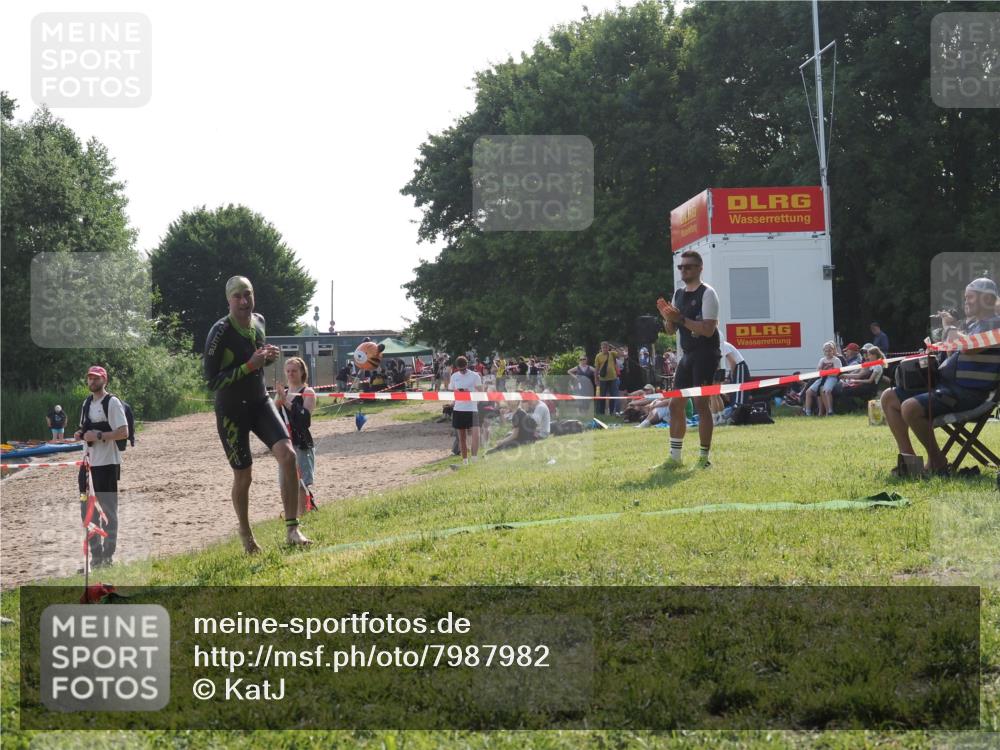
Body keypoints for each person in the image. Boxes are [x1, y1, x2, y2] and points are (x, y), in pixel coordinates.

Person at [204, 275, 311, 553]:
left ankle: (292, 529)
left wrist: (268, 356)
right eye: (237, 296)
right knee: (244, 476)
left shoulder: (259, 322)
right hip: (231, 411)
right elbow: (211, 381)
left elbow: (257, 357)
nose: (243, 301)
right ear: (229, 300)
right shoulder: (219, 332)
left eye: (247, 295)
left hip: (259, 401)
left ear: (253, 296)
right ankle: (246, 535)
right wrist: (249, 367)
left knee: (287, 455)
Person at [881, 277, 1000, 476]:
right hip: (949, 387)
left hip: (972, 394)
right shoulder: (975, 325)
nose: (966, 302)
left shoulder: (995, 324)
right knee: (889, 397)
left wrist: (950, 329)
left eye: (970, 297)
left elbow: (970, 348)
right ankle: (909, 463)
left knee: (910, 408)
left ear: (986, 299)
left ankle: (937, 462)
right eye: (965, 298)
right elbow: (956, 351)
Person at [657, 249, 721, 467]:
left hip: (706, 354)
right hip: (687, 354)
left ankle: (704, 458)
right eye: (681, 267)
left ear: (699, 268)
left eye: (688, 266)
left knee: (701, 405)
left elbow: (708, 330)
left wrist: (680, 318)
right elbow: (670, 330)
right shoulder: (678, 294)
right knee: (675, 405)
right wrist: (668, 319)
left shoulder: (708, 293)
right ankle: (674, 458)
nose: (684, 270)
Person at [73, 366, 128, 570]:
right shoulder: (86, 402)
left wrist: (97, 436)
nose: (92, 381)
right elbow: (83, 428)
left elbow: (123, 432)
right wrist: (80, 434)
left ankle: (108, 557)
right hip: (87, 467)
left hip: (107, 465)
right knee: (86, 511)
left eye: (96, 378)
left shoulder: (112, 403)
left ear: (104, 380)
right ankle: (96, 558)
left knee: (109, 512)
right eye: (89, 378)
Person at [274, 357, 316, 517]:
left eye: (294, 371)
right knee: (285, 483)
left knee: (301, 482)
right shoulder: (282, 393)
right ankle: (291, 515)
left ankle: (303, 514)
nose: (291, 374)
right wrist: (277, 403)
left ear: (302, 372)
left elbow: (305, 420)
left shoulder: (308, 392)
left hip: (301, 443)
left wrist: (287, 403)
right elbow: (273, 418)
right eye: (288, 371)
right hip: (285, 445)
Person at [448, 355, 483, 465]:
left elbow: (481, 392)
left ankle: (474, 458)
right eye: (460, 369)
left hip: (472, 408)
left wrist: (470, 392)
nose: (462, 371)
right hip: (459, 409)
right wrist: (457, 394)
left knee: (476, 435)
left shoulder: (475, 375)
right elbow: (451, 390)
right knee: (461, 437)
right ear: (457, 367)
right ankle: (465, 461)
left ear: (467, 365)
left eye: (463, 369)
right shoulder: (454, 376)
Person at [802, 342, 841, 417]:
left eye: (829, 350)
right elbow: (818, 371)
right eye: (826, 351)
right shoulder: (822, 360)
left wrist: (824, 372)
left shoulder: (836, 360)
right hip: (822, 378)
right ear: (823, 351)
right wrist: (823, 372)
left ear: (833, 351)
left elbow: (836, 373)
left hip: (832, 378)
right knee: (808, 392)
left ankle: (830, 411)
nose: (828, 352)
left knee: (827, 390)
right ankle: (807, 412)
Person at [594, 342, 620, 416]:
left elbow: (621, 354)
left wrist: (614, 347)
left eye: (606, 347)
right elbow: (596, 368)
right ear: (601, 348)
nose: (604, 349)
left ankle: (612, 412)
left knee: (613, 396)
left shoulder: (612, 353)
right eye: (603, 348)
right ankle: (602, 412)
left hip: (613, 379)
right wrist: (596, 379)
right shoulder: (598, 356)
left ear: (608, 348)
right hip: (603, 379)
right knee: (602, 396)